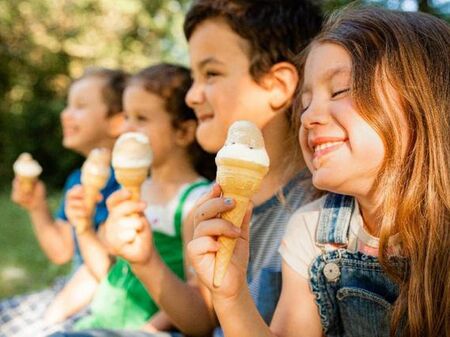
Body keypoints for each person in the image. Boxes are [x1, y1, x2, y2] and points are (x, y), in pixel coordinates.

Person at [49, 1, 322, 337]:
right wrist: (145, 259)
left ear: (277, 85)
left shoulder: (315, 216)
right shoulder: (212, 206)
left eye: (211, 73)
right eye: (193, 77)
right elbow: (201, 323)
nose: (192, 96)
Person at [188, 6, 450, 337]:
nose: (309, 117)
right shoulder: (312, 231)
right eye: (306, 102)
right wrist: (230, 295)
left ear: (422, 102)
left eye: (339, 90)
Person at [63, 63, 214, 332]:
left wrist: (147, 330)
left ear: (183, 132)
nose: (127, 129)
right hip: (99, 323)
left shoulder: (195, 202)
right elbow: (106, 272)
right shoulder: (130, 191)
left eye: (141, 119)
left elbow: (201, 314)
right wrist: (84, 227)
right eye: (127, 117)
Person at [1, 68, 127, 337]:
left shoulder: (127, 180)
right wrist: (36, 206)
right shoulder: (77, 178)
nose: (65, 114)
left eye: (80, 106)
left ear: (117, 121)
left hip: (97, 300)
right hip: (67, 288)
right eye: (68, 105)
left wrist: (48, 320)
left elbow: (104, 269)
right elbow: (61, 251)